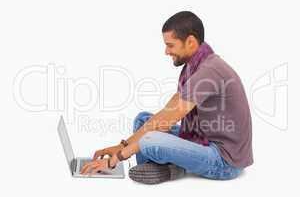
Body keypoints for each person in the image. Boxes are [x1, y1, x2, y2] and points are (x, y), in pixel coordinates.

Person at [80, 11, 253, 184]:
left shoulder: (208, 71)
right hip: (203, 139)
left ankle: (173, 168)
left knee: (149, 139)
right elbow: (167, 113)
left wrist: (113, 160)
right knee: (142, 120)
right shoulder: (194, 67)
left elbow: (168, 120)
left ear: (191, 42)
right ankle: (169, 167)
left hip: (224, 160)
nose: (166, 51)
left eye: (170, 45)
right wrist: (123, 146)